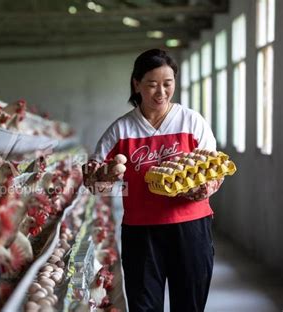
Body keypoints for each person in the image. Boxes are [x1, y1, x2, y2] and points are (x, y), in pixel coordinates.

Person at [83, 49, 223, 312]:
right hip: (141, 232)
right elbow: (95, 184)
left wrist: (205, 188)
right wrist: (105, 175)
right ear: (137, 84)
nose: (161, 92)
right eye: (152, 84)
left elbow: (214, 171)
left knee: (189, 304)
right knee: (144, 306)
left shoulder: (191, 121)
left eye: (167, 84)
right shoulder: (121, 130)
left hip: (190, 228)